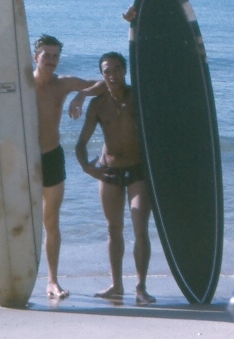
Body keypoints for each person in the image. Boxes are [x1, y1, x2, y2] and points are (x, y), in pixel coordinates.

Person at [0, 34, 103, 300]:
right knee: (18, 218)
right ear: (35, 57)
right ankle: (14, 275)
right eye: (47, 56)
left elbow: (101, 84)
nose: (51, 61)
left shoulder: (63, 84)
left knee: (51, 221)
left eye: (55, 56)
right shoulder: (19, 84)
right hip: (21, 161)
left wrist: (80, 97)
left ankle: (52, 281)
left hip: (51, 157)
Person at [75, 51, 156, 306]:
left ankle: (141, 287)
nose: (112, 75)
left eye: (117, 69)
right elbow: (81, 143)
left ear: (125, 71)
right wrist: (88, 169)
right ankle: (116, 285)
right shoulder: (98, 104)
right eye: (107, 71)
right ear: (102, 74)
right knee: (113, 229)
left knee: (139, 226)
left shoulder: (138, 98)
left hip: (137, 171)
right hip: (108, 171)